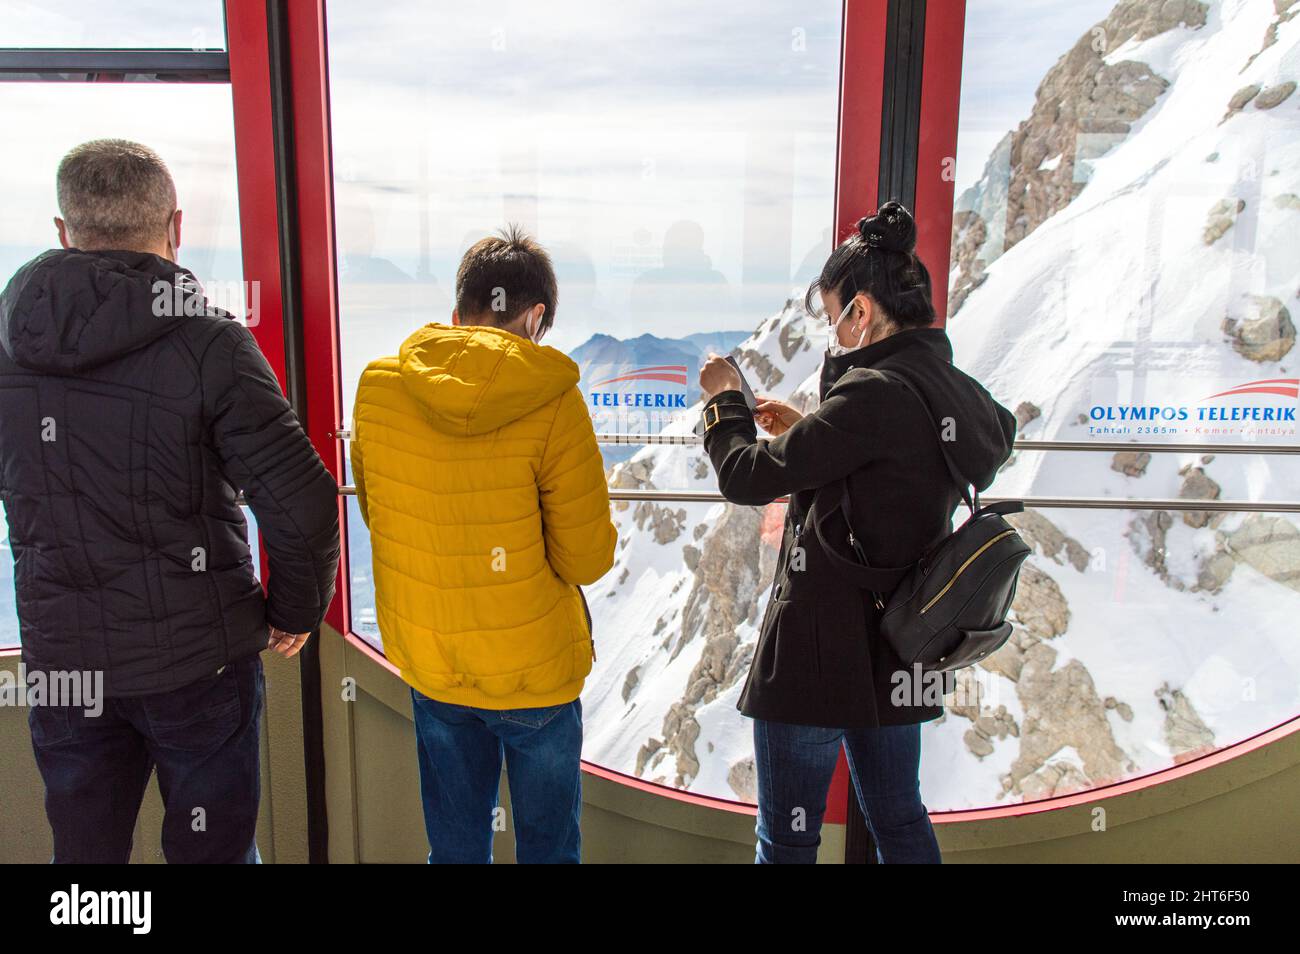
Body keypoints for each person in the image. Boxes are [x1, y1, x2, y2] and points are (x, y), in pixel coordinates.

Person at [0, 139, 340, 863]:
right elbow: (302, 499)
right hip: (198, 661)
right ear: (174, 228)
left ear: (63, 232)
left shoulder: (8, 348)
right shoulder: (209, 344)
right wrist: (294, 612)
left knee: (86, 863)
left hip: (65, 664)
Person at [698, 202, 1015, 863]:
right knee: (899, 822)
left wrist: (724, 402)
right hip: (903, 646)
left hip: (819, 651)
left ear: (861, 311)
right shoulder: (953, 389)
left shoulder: (873, 395)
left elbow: (745, 476)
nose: (833, 333)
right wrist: (814, 433)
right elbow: (898, 465)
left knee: (786, 837)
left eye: (835, 316)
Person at [350, 225, 616, 864]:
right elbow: (587, 558)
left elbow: (379, 511)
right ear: (536, 316)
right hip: (535, 677)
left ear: (457, 311)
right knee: (549, 851)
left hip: (435, 662)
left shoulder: (380, 387)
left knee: (456, 849)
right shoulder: (554, 400)